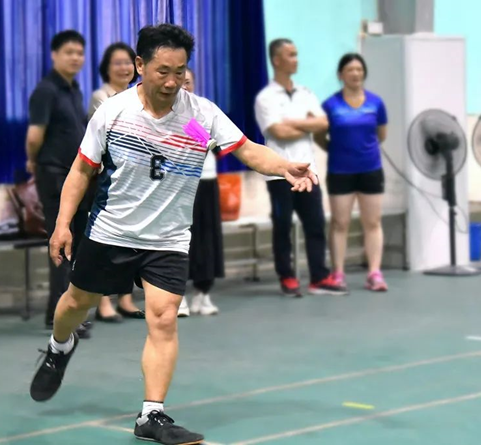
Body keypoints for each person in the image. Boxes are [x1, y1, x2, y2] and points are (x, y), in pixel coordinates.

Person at [29, 24, 318, 445]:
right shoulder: (113, 112)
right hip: (113, 230)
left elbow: (246, 149)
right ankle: (59, 347)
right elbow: (81, 170)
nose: (171, 82)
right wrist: (61, 224)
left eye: (180, 72)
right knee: (76, 303)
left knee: (163, 318)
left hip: (168, 238)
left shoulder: (198, 116)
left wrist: (284, 166)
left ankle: (152, 414)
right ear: (140, 65)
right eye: (162, 71)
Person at [254, 38, 340, 297]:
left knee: (315, 225)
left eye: (296, 54)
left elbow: (323, 123)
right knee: (282, 227)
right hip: (280, 173)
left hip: (308, 171)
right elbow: (278, 132)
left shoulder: (306, 93)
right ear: (276, 60)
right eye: (290, 55)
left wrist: (291, 123)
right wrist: (305, 125)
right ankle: (287, 277)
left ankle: (319, 277)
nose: (296, 59)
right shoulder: (265, 98)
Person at [25, 30, 91, 338]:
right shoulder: (46, 90)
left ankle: (64, 310)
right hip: (54, 175)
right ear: (54, 55)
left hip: (76, 175)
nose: (75, 58)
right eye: (69, 52)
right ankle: (60, 315)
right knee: (61, 244)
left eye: (79, 52)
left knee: (75, 244)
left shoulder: (74, 89)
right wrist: (33, 161)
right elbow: (34, 136)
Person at [314, 53, 389, 293]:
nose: (355, 74)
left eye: (359, 69)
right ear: (341, 75)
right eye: (350, 70)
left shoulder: (376, 103)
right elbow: (319, 136)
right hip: (340, 171)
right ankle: (338, 273)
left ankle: (374, 273)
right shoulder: (330, 105)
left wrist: (363, 150)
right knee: (340, 223)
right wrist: (337, 150)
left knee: (372, 222)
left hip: (371, 170)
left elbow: (381, 134)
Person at [87, 42, 144, 322]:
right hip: (108, 180)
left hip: (138, 180)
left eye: (127, 62)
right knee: (106, 241)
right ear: (106, 69)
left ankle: (125, 298)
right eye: (117, 63)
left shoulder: (141, 94)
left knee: (131, 241)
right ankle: (103, 301)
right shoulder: (101, 97)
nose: (124, 68)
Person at [178, 68, 223, 317]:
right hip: (180, 184)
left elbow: (215, 145)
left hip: (207, 180)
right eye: (180, 82)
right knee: (182, 240)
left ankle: (203, 293)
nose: (184, 87)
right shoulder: (164, 112)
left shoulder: (205, 109)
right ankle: (178, 296)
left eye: (188, 82)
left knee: (207, 238)